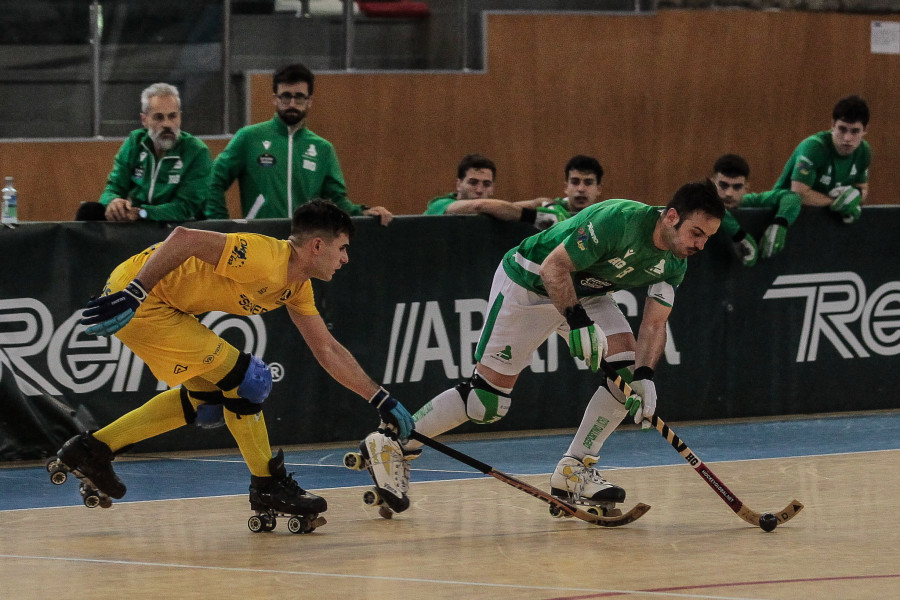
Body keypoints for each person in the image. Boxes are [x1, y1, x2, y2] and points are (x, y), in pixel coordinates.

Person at [362, 181, 725, 514]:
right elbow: (554, 268)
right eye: (696, 233)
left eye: (707, 238)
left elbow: (654, 322)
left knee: (626, 372)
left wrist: (645, 376)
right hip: (531, 282)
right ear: (672, 217)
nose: (700, 245)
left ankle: (575, 468)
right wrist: (577, 321)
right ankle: (393, 440)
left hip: (588, 292)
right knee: (485, 402)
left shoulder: (676, 260)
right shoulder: (617, 220)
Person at [53, 200, 414, 529]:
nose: (346, 258)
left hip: (164, 305)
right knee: (249, 381)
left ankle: (92, 450)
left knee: (208, 400)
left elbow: (328, 350)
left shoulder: (297, 285)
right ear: (317, 246)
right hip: (140, 298)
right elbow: (183, 237)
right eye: (343, 248)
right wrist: (135, 291)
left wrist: (380, 398)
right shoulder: (263, 257)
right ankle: (269, 485)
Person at [205, 63, 392, 225]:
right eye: (286, 96)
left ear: (309, 101)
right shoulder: (249, 138)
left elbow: (337, 200)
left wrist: (362, 212)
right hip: (260, 240)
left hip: (304, 245)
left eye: (299, 97)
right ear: (275, 99)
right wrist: (220, 223)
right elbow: (214, 180)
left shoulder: (322, 149)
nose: (292, 103)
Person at [75, 83, 212, 222]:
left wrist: (143, 213)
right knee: (89, 211)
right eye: (159, 117)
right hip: (138, 224)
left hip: (179, 229)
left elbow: (185, 208)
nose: (167, 124)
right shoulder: (135, 143)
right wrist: (114, 202)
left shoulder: (197, 151)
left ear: (180, 117)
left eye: (172, 116)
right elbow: (113, 187)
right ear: (144, 120)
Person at [426, 154, 604, 230]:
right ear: (458, 184)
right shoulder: (439, 205)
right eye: (473, 182)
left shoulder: (602, 213)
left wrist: (539, 202)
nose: (479, 190)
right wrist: (536, 217)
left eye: (486, 184)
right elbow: (480, 205)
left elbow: (508, 208)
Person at [773, 95, 870, 225]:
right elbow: (799, 194)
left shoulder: (864, 151)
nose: (847, 138)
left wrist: (854, 197)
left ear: (865, 130)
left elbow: (862, 189)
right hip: (785, 215)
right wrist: (838, 203)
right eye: (842, 129)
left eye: (855, 131)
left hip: (825, 219)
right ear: (833, 125)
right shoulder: (813, 148)